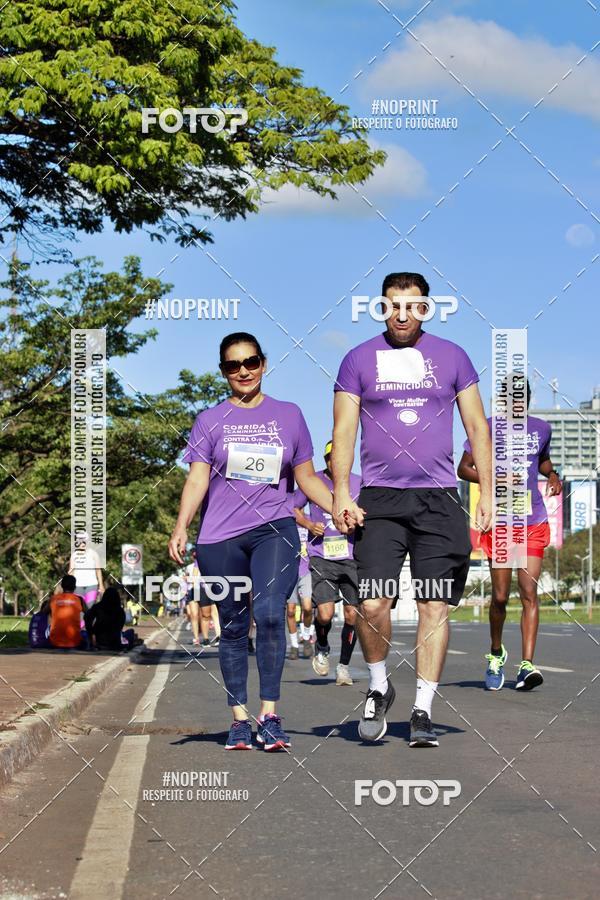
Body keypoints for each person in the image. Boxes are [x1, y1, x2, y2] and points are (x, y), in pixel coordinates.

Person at [332, 272, 492, 747]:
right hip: (380, 498)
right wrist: (341, 492)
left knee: (433, 603)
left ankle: (422, 709)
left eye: (412, 306)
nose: (402, 314)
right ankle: (379, 685)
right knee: (372, 602)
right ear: (381, 308)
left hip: (439, 498)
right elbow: (343, 431)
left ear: (427, 308)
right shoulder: (358, 359)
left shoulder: (453, 357)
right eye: (392, 306)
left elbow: (478, 429)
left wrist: (488, 497)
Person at [168, 332, 334, 752]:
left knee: (271, 613)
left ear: (264, 364)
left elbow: (307, 478)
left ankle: (271, 715)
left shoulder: (290, 416)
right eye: (233, 365)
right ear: (223, 371)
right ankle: (240, 720)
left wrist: (338, 507)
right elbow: (198, 478)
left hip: (273, 528)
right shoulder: (209, 421)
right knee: (235, 624)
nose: (243, 371)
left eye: (251, 362)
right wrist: (181, 525)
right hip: (219, 537)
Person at [457, 378, 562, 691]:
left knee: (529, 592)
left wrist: (553, 475)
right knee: (500, 597)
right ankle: (495, 652)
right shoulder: (486, 427)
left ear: (527, 400)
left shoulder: (542, 428)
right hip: (501, 523)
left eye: (521, 398)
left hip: (533, 520)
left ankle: (527, 665)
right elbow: (464, 468)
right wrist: (494, 477)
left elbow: (541, 460)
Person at [293, 440, 361, 684]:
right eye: (332, 457)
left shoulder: (359, 482)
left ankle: (343, 666)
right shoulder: (314, 481)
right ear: (327, 461)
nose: (337, 461)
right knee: (324, 613)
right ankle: (322, 647)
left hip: (352, 558)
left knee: (353, 615)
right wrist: (309, 524)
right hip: (322, 557)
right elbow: (293, 508)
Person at [286, 524, 314, 660]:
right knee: (290, 611)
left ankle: (307, 637)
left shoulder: (309, 522)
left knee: (308, 608)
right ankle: (294, 645)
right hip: (290, 572)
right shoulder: (287, 523)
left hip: (306, 571)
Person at [85, 587, 136, 651]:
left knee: (83, 633)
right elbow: (120, 627)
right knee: (131, 632)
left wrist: (91, 634)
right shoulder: (120, 610)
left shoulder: (97, 607)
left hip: (99, 640)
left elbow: (87, 619)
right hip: (114, 642)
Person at [48, 575, 87, 649]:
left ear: (62, 586)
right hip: (75, 642)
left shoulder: (53, 599)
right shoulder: (79, 600)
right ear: (75, 587)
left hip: (54, 642)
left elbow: (42, 613)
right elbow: (89, 614)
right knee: (85, 636)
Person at [68, 531, 104, 609]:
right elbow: (71, 572)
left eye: (84, 541)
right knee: (80, 608)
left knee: (90, 607)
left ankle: (89, 621)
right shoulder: (74, 555)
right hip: (77, 586)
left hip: (92, 584)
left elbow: (98, 570)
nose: (82, 544)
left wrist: (101, 585)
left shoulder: (94, 554)